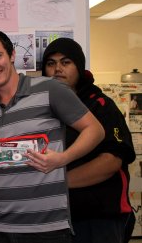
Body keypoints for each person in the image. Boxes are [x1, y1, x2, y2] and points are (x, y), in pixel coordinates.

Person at [0, 29, 105, 243]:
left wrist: (62, 159)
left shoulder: (50, 89)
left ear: (11, 55)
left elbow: (95, 130)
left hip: (47, 228)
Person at [42, 37, 136, 243]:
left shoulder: (101, 105)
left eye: (65, 62)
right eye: (51, 63)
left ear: (79, 67)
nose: (58, 69)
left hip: (100, 218)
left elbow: (111, 162)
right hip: (55, 218)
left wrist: (59, 183)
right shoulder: (41, 108)